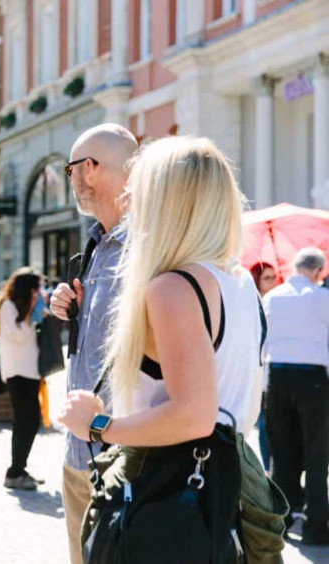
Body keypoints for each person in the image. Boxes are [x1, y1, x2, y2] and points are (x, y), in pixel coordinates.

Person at [58, 136, 265, 560]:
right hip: (226, 493)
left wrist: (98, 425)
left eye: (142, 188)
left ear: (166, 199)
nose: (132, 200)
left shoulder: (173, 287)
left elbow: (192, 415)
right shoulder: (240, 282)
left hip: (166, 494)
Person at [48, 123, 138, 564]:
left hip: (124, 456)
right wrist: (68, 304)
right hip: (78, 453)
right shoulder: (96, 244)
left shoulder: (148, 247)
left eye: (70, 170)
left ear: (89, 169)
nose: (72, 182)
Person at [263, 247, 329, 544]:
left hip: (277, 377)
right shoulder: (323, 299)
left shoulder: (272, 297)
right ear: (318, 272)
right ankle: (316, 526)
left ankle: (282, 520)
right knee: (317, 453)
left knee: (282, 453)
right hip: (313, 378)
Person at [0, 268, 44, 490]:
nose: (38, 294)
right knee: (27, 421)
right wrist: (32, 314)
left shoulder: (23, 309)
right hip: (17, 372)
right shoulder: (8, 306)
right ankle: (14, 472)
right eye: (35, 290)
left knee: (28, 421)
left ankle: (19, 469)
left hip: (30, 371)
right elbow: (17, 335)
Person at [250, 261, 279, 471]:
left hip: (275, 369)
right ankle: (268, 469)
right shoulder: (252, 302)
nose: (273, 282)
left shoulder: (277, 301)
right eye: (267, 278)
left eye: (274, 277)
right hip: (257, 371)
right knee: (264, 425)